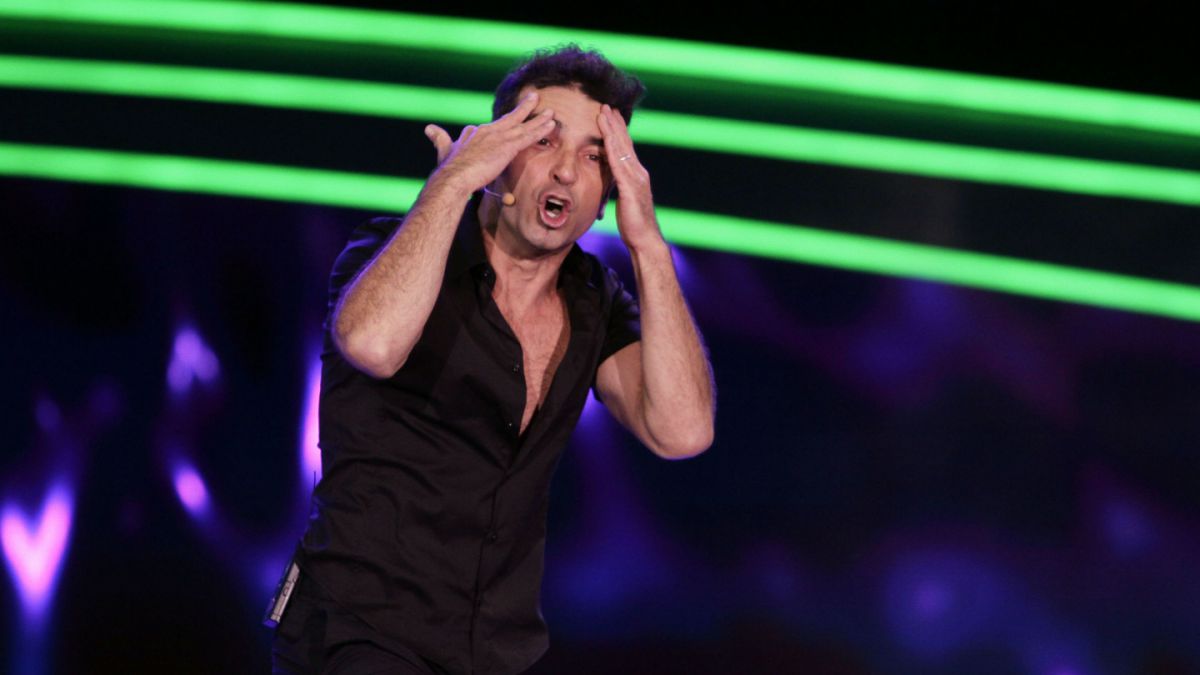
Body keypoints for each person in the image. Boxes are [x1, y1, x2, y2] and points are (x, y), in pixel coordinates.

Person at [271, 45, 715, 675]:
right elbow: (372, 345)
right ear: (496, 155)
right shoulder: (390, 254)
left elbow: (683, 431)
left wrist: (648, 246)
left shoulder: (596, 303)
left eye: (594, 157)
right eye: (543, 141)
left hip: (493, 652)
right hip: (358, 631)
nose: (567, 172)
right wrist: (452, 182)